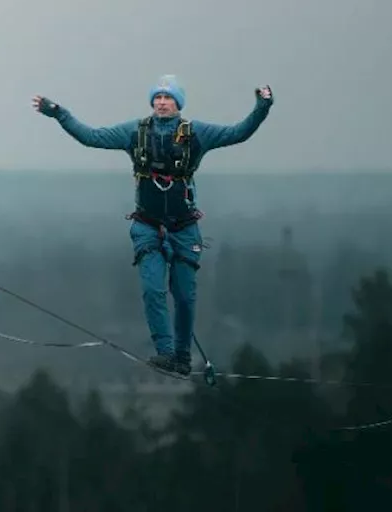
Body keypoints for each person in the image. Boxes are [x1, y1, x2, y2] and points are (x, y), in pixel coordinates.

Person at [32, 75, 273, 377]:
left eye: (168, 98)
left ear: (178, 103)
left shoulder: (197, 133)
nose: (161, 102)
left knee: (185, 296)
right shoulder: (135, 132)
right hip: (147, 226)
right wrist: (59, 113)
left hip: (184, 229)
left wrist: (262, 107)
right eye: (157, 97)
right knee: (152, 290)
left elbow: (239, 133)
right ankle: (165, 351)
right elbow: (91, 137)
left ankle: (182, 358)